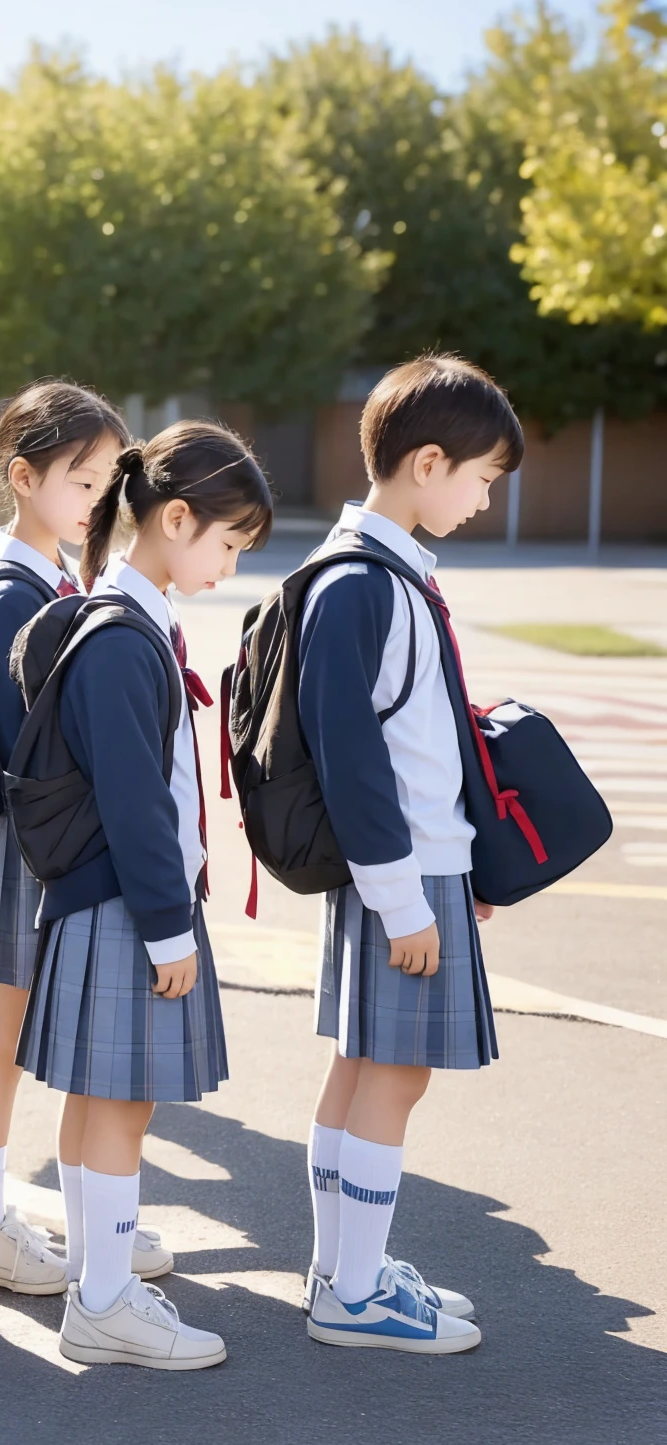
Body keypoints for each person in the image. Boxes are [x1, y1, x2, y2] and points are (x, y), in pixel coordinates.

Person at [19, 424, 271, 1370]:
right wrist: (172, 930)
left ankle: (98, 1280)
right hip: (131, 905)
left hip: (101, 901)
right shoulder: (126, 638)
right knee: (123, 1107)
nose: (231, 563)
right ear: (174, 518)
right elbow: (136, 800)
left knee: (98, 1102)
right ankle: (107, 1299)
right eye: (228, 542)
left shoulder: (122, 618)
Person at [300, 355, 522, 1354]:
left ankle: (343, 1268)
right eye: (481, 477)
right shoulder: (368, 585)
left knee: (364, 1067)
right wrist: (408, 899)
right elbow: (358, 761)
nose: (484, 499)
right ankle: (352, 1294)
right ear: (427, 462)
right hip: (401, 871)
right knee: (395, 1076)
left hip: (408, 869)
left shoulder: (380, 572)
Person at [0, 380, 137, 1296]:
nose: (99, 498)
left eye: (106, 481)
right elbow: (44, 736)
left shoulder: (51, 574)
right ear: (23, 477)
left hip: (44, 840)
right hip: (39, 844)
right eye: (82, 479)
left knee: (37, 1036)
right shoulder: (14, 586)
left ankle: (83, 1225)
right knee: (15, 1033)